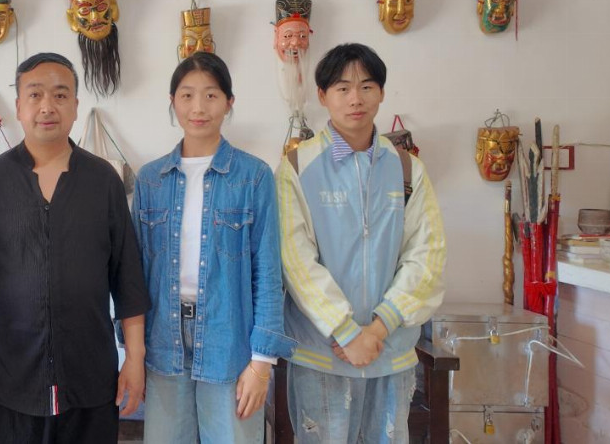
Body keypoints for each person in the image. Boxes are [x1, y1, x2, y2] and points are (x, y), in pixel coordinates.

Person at [0, 52, 150, 443]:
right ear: (19, 106)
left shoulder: (103, 181)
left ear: (76, 105)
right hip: (9, 382)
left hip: (91, 381)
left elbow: (128, 281)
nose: (47, 106)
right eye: (35, 94)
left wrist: (134, 359)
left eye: (60, 95)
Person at [277, 43, 446, 443]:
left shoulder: (407, 169)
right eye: (342, 88)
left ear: (381, 93)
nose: (355, 99)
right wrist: (346, 331)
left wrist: (379, 328)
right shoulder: (297, 167)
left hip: (390, 351)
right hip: (323, 353)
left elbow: (427, 255)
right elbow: (295, 261)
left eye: (367, 86)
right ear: (323, 96)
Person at [135, 53, 295, 444]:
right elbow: (135, 272)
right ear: (172, 101)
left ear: (228, 102)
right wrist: (133, 352)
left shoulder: (253, 176)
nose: (198, 107)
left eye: (211, 95)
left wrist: (262, 363)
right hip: (163, 340)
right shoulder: (150, 179)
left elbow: (267, 271)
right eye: (187, 95)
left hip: (230, 339)